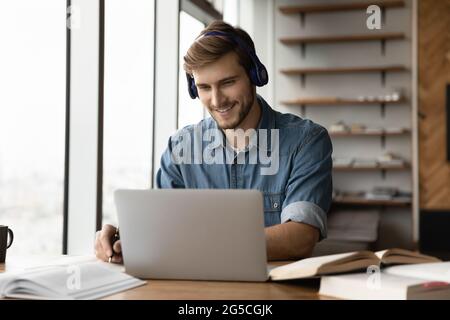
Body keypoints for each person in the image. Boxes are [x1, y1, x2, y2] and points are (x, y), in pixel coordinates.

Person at [95, 20, 332, 263]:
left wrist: (192, 244)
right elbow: (160, 228)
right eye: (204, 87)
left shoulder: (306, 141)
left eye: (228, 83)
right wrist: (124, 238)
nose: (217, 100)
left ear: (254, 75)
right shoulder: (180, 148)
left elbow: (300, 238)